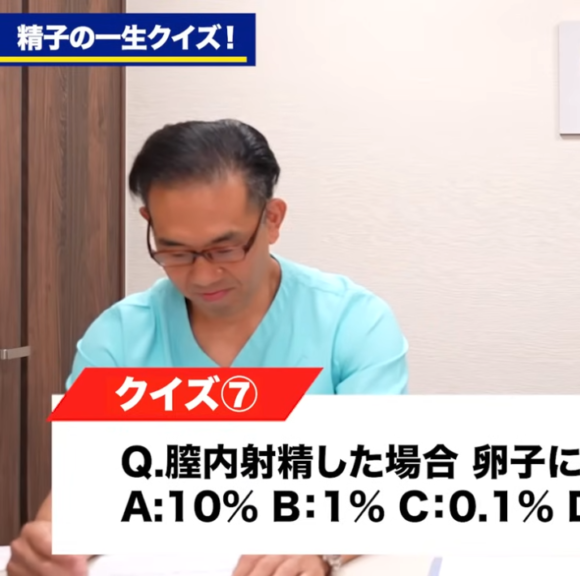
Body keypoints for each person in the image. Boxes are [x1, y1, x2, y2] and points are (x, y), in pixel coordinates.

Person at [7, 119, 408, 576]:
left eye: (225, 249)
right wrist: (50, 546)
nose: (202, 276)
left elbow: (382, 480)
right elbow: (87, 485)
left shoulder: (352, 322)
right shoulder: (118, 338)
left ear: (272, 219)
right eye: (176, 251)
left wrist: (321, 547)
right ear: (149, 223)